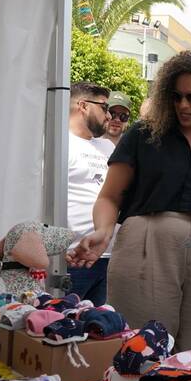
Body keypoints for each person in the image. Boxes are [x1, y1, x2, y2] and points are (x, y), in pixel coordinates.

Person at [66, 50, 191, 351]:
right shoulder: (144, 135)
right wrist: (103, 231)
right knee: (142, 350)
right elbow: (110, 196)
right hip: (146, 242)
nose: (183, 105)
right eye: (176, 96)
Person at [67, 81, 114, 306]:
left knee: (98, 333)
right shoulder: (58, 143)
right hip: (72, 257)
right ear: (83, 105)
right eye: (104, 108)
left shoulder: (108, 147)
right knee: (62, 326)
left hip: (107, 256)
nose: (109, 115)